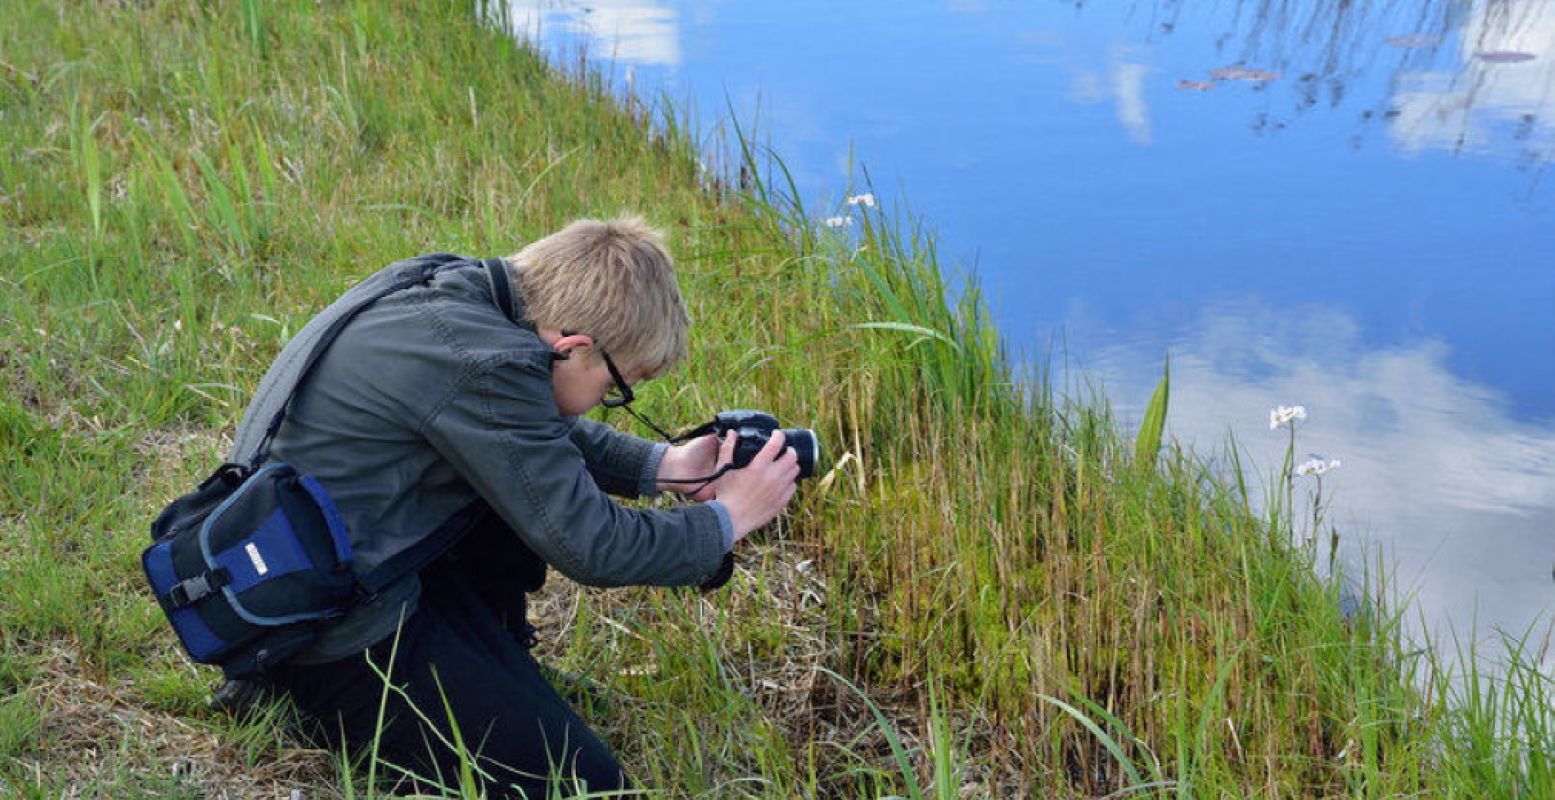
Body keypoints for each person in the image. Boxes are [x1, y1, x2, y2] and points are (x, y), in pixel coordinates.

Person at [232, 216, 801, 797]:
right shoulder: (480, 362)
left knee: (516, 493)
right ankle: (305, 699)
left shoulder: (459, 293)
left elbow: (524, 428)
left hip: (308, 560)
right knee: (581, 785)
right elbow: (592, 545)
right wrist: (727, 519)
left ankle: (491, 654)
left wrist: (668, 466)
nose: (609, 400)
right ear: (574, 348)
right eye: (615, 388)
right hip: (325, 629)